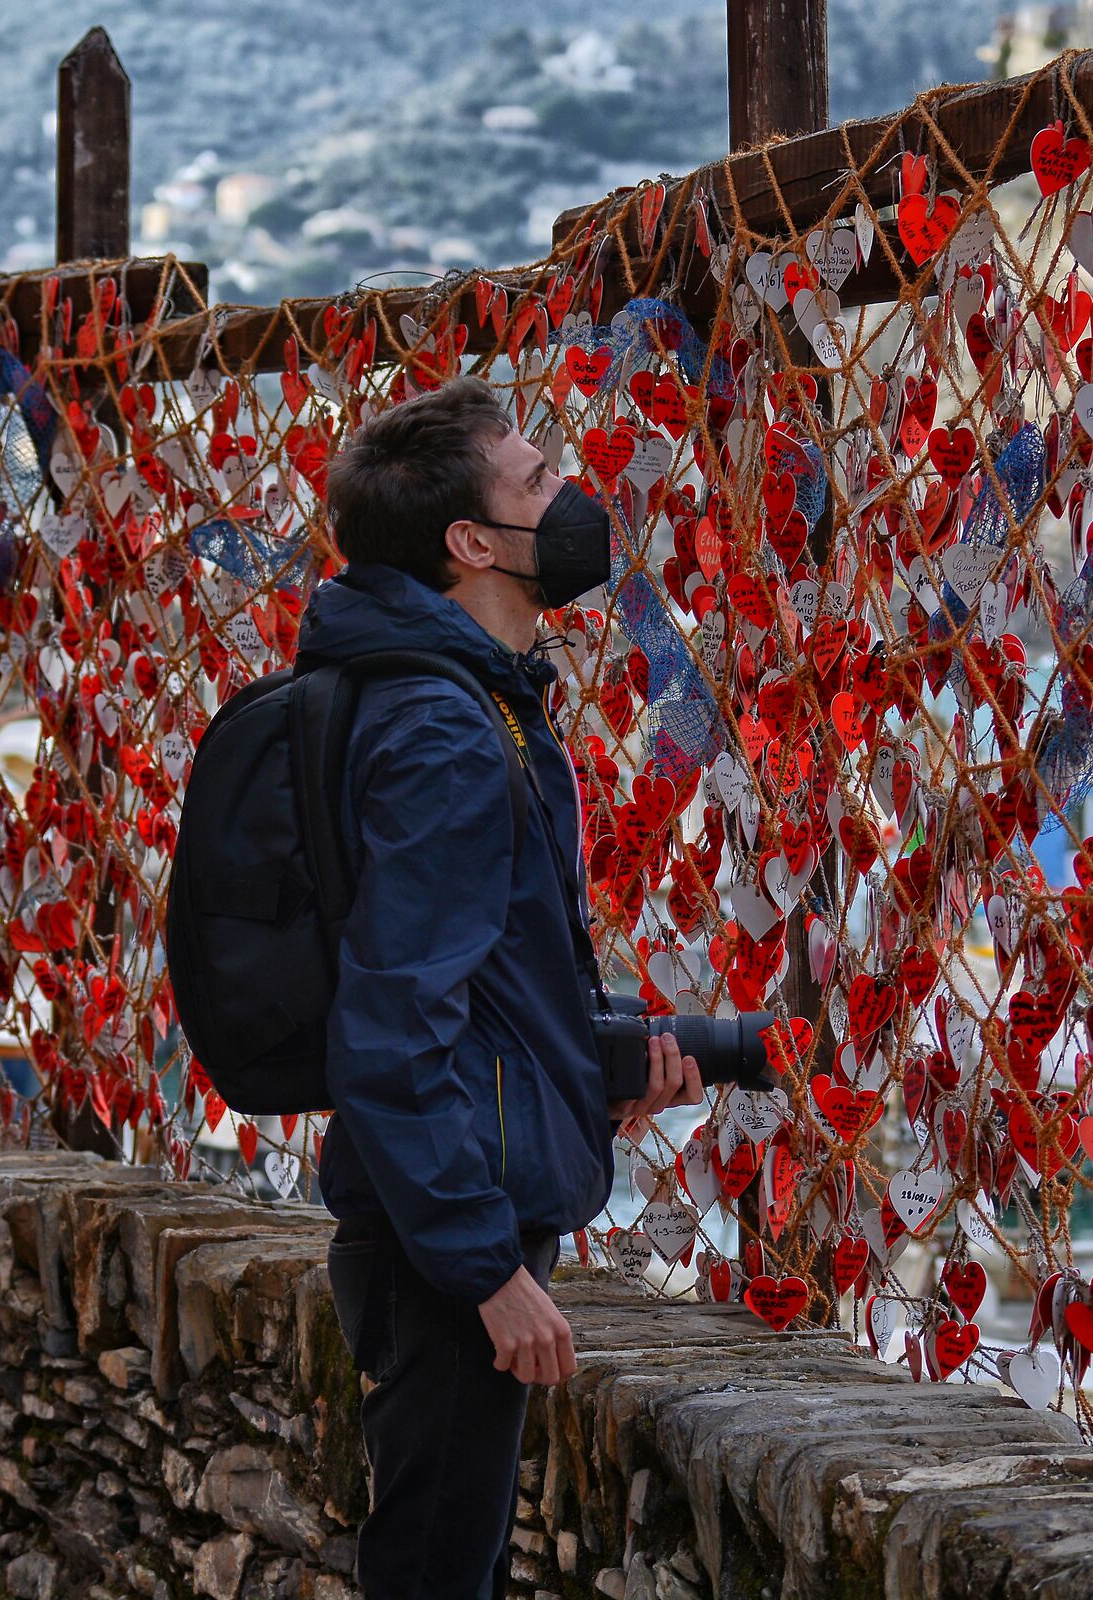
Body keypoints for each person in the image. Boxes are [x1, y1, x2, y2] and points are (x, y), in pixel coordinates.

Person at [300, 376, 704, 1597]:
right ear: (472, 543)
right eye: (538, 484)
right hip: (441, 1245)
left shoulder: (470, 702)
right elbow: (391, 1028)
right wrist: (485, 1269)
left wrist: (602, 1063)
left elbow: (478, 988)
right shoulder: (445, 729)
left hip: (442, 1210)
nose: (571, 501)